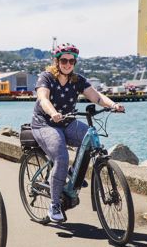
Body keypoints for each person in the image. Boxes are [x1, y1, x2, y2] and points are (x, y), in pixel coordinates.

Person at [31, 43, 125, 222]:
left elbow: (96, 96)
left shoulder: (77, 80)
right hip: (45, 124)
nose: (67, 64)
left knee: (90, 137)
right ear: (57, 61)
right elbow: (42, 98)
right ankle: (54, 205)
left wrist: (113, 105)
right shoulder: (47, 77)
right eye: (64, 60)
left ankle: (74, 172)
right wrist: (52, 112)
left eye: (71, 61)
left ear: (75, 62)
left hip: (67, 121)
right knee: (61, 156)